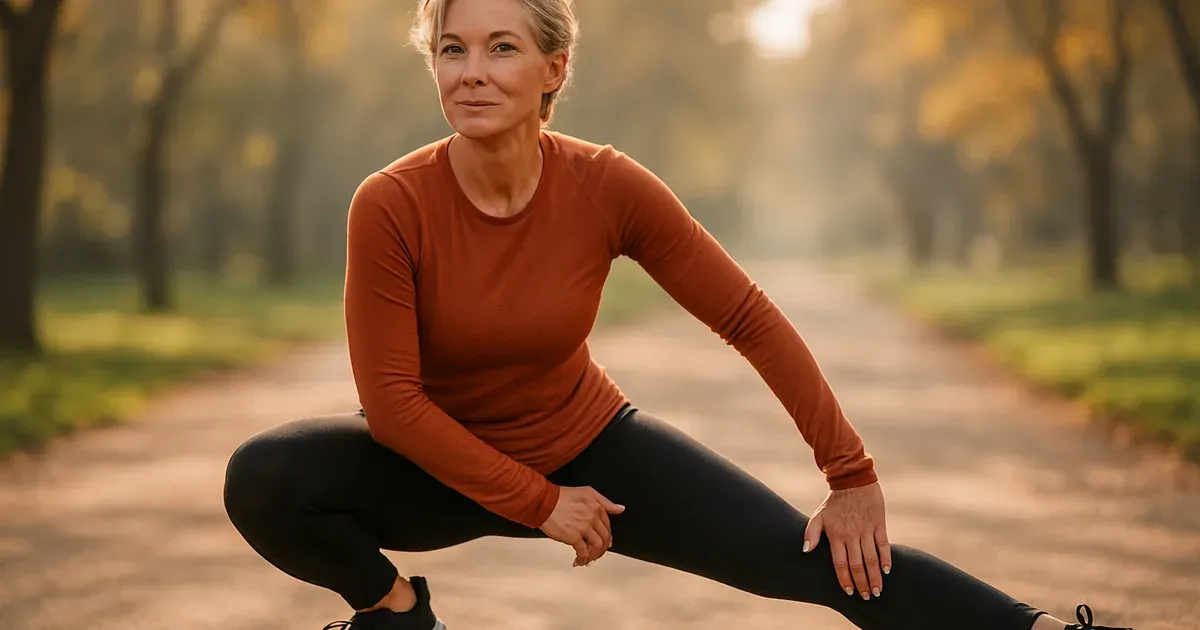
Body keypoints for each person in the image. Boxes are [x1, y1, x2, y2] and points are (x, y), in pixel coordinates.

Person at [221, 0, 1133, 629]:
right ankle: (397, 618)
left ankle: (1042, 629)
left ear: (554, 68)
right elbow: (392, 406)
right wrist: (540, 506)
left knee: (810, 563)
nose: (470, 72)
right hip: (440, 464)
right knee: (265, 478)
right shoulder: (389, 203)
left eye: (501, 47)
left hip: (591, 449)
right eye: (451, 49)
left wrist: (850, 472)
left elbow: (748, 316)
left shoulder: (607, 185)